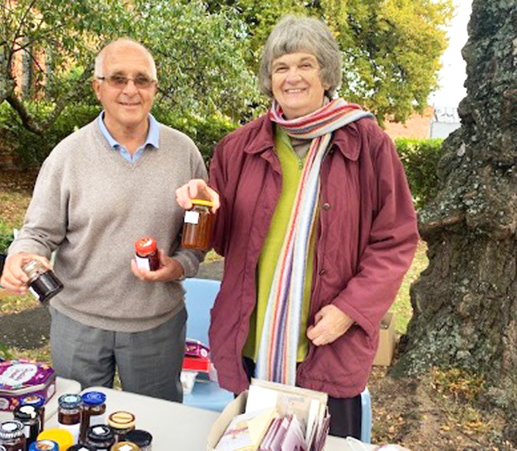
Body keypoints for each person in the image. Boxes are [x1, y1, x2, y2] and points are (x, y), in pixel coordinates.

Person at [176, 16, 419, 437]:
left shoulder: (368, 144)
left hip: (326, 344)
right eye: (280, 67)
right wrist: (205, 206)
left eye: (305, 64)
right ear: (269, 80)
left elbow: (396, 240)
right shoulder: (239, 147)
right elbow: (224, 241)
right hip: (251, 341)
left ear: (326, 73)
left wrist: (350, 310)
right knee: (251, 442)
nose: (292, 77)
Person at [1, 39, 206, 402]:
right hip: (78, 324)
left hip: (156, 325)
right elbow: (37, 233)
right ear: (98, 88)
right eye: (117, 79)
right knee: (77, 425)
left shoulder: (184, 153)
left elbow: (198, 238)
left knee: (157, 428)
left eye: (142, 80)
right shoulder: (67, 155)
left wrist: (177, 267)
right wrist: (21, 256)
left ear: (155, 89)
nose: (130, 90)